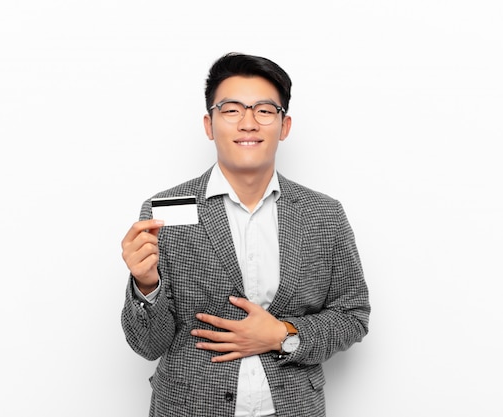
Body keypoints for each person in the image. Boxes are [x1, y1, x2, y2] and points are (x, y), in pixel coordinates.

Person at [120, 52, 370, 417]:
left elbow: (352, 315)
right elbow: (148, 345)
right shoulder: (164, 210)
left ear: (284, 126)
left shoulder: (324, 214)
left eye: (264, 110)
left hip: (293, 406)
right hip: (188, 407)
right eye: (232, 109)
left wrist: (282, 335)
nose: (248, 123)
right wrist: (146, 286)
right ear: (209, 124)